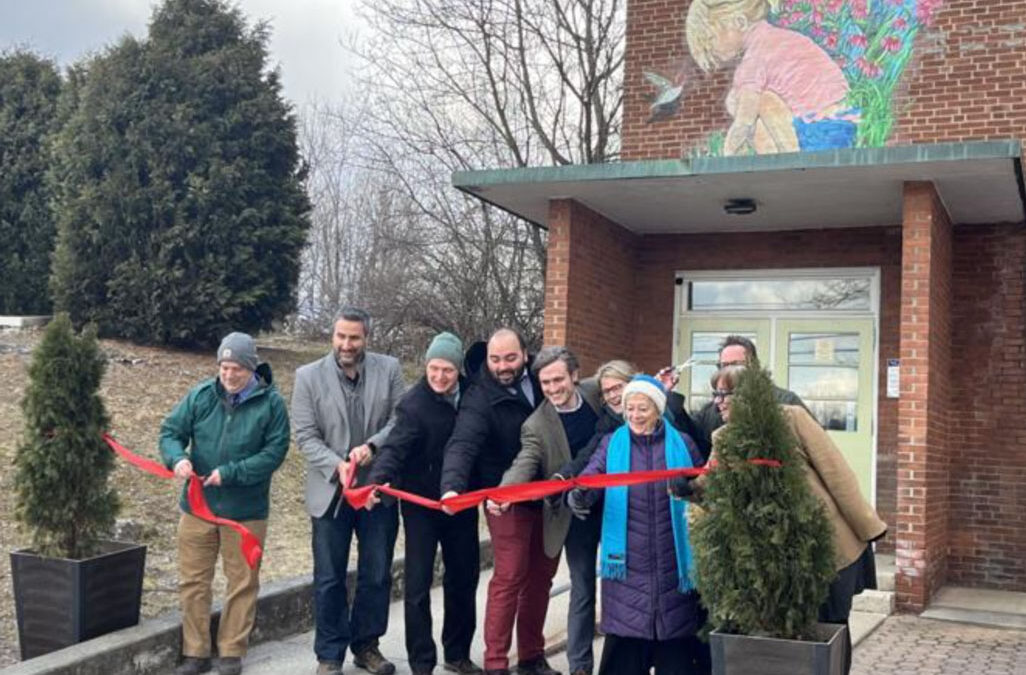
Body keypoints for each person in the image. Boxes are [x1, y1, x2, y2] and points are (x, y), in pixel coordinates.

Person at [689, 364, 886, 674]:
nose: (718, 402)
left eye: (725, 394)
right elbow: (709, 487)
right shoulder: (724, 438)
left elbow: (837, 473)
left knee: (828, 632)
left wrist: (868, 525)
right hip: (774, 562)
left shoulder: (792, 419)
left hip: (829, 551)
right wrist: (687, 489)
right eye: (715, 394)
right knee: (788, 638)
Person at [159, 332, 290, 675]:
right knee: (193, 580)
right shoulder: (201, 396)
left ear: (252, 368)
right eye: (224, 367)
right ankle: (196, 652)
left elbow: (274, 453)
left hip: (246, 512)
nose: (229, 375)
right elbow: (170, 432)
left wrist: (231, 473)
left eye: (237, 369)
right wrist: (177, 460)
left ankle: (231, 652)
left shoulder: (272, 404)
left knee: (243, 582)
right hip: (198, 508)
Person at [567, 375, 710, 675]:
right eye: (629, 408)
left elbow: (706, 489)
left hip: (674, 566)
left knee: (677, 656)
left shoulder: (682, 444)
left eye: (642, 408)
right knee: (625, 657)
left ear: (657, 409)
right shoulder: (611, 444)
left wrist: (691, 488)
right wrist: (580, 495)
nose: (634, 415)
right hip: (627, 570)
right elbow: (593, 476)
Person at [291, 308, 406, 675]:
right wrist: (335, 464)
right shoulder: (307, 377)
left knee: (376, 573)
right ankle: (329, 654)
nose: (346, 344)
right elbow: (305, 436)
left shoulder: (389, 370)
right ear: (333, 335)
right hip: (331, 493)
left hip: (377, 491)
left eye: (354, 337)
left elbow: (401, 420)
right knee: (329, 576)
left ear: (366, 338)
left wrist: (372, 447)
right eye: (341, 336)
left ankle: (367, 646)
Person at [364, 332, 483, 675]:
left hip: (460, 503)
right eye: (434, 368)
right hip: (421, 506)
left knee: (463, 578)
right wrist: (378, 481)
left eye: (447, 370)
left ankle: (458, 652)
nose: (440, 377)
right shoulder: (413, 404)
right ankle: (421, 661)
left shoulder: (473, 397)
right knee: (417, 585)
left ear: (458, 369)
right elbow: (394, 449)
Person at [439, 328, 555, 675]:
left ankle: (532, 656)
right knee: (510, 575)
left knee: (541, 577)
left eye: (510, 358)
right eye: (495, 359)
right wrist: (451, 488)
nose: (502, 366)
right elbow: (462, 444)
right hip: (504, 496)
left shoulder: (543, 376)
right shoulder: (479, 395)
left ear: (525, 355)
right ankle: (496, 664)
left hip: (548, 492)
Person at [497, 347, 602, 675]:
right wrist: (505, 493)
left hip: (616, 505)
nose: (553, 388)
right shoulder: (536, 425)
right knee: (583, 588)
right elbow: (525, 461)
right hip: (576, 513)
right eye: (545, 383)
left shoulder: (597, 391)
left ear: (574, 375)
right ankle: (580, 667)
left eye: (558, 379)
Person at [685, 0, 859, 154]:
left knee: (759, 101)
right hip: (845, 124)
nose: (711, 49)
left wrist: (728, 151)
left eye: (711, 38)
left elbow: (744, 123)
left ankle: (789, 159)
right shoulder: (781, 38)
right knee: (739, 99)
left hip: (818, 131)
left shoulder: (753, 61)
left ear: (739, 22)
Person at [693, 335, 808, 456]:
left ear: (754, 366)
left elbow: (819, 453)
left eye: (736, 364)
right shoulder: (713, 410)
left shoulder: (787, 402)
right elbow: (690, 439)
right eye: (724, 365)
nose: (729, 370)